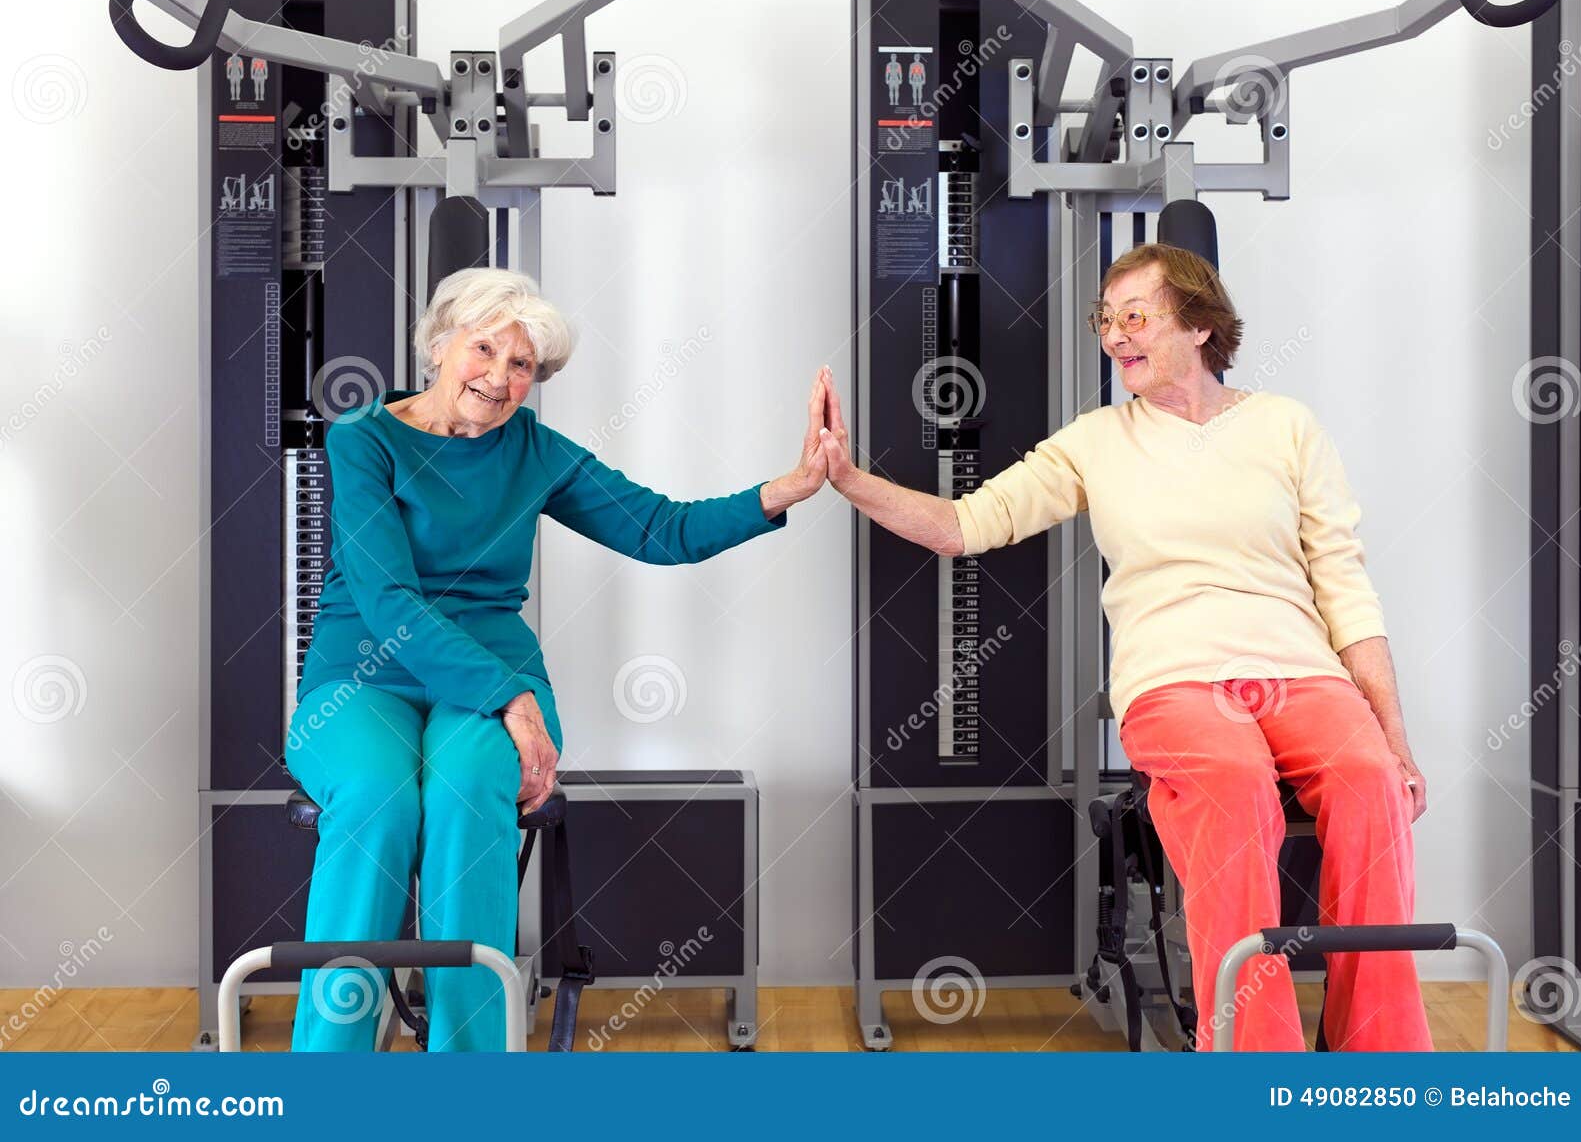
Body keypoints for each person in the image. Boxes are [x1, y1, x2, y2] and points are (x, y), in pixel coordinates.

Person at [814, 242, 1432, 1052]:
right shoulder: (1098, 440)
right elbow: (967, 525)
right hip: (1175, 682)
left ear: (1201, 324)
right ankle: (1254, 1063)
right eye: (1106, 320)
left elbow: (1346, 590)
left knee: (1369, 785)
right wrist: (851, 479)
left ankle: (1382, 1056)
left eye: (1134, 316)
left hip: (1301, 671)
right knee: (1237, 785)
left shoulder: (1287, 426)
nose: (1114, 336)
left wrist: (1395, 740)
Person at [285, 266, 828, 1051]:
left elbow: (660, 529)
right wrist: (510, 698)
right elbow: (389, 600)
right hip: (366, 673)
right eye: (484, 350)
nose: (500, 379)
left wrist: (791, 486)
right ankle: (325, 1080)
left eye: (522, 367)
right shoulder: (363, 439)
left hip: (492, 672)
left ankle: (470, 1083)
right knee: (376, 795)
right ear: (440, 344)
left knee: (471, 791)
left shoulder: (533, 450)